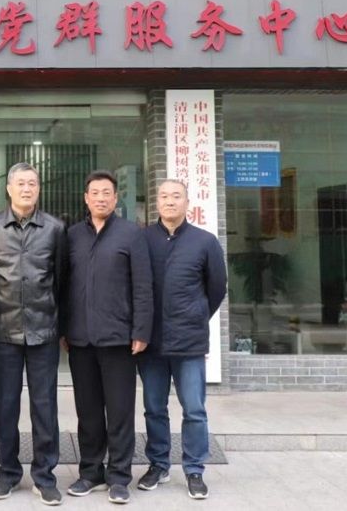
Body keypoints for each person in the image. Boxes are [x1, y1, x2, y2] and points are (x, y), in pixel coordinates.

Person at [0, 161, 68, 506]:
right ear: (9, 188)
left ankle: (45, 476)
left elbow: (62, 279)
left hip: (44, 330)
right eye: (21, 183)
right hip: (4, 330)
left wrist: (60, 324)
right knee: (6, 406)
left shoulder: (56, 228)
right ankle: (8, 474)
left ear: (38, 189)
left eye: (32, 183)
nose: (27, 189)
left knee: (45, 407)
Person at [63, 170, 153, 505]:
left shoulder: (131, 234)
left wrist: (141, 330)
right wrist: (65, 328)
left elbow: (143, 286)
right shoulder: (72, 235)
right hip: (81, 339)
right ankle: (90, 472)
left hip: (119, 339)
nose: (101, 198)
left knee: (119, 411)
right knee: (87, 412)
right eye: (95, 193)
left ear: (115, 199)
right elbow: (64, 286)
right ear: (86, 198)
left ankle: (119, 476)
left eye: (107, 193)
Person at [137, 179, 227, 500]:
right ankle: (158, 464)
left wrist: (196, 315)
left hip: (189, 342)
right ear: (156, 202)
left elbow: (217, 288)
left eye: (176, 196)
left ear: (187, 202)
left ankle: (194, 469)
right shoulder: (143, 239)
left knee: (194, 409)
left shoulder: (205, 241)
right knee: (153, 408)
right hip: (151, 342)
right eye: (164, 196)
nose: (170, 201)